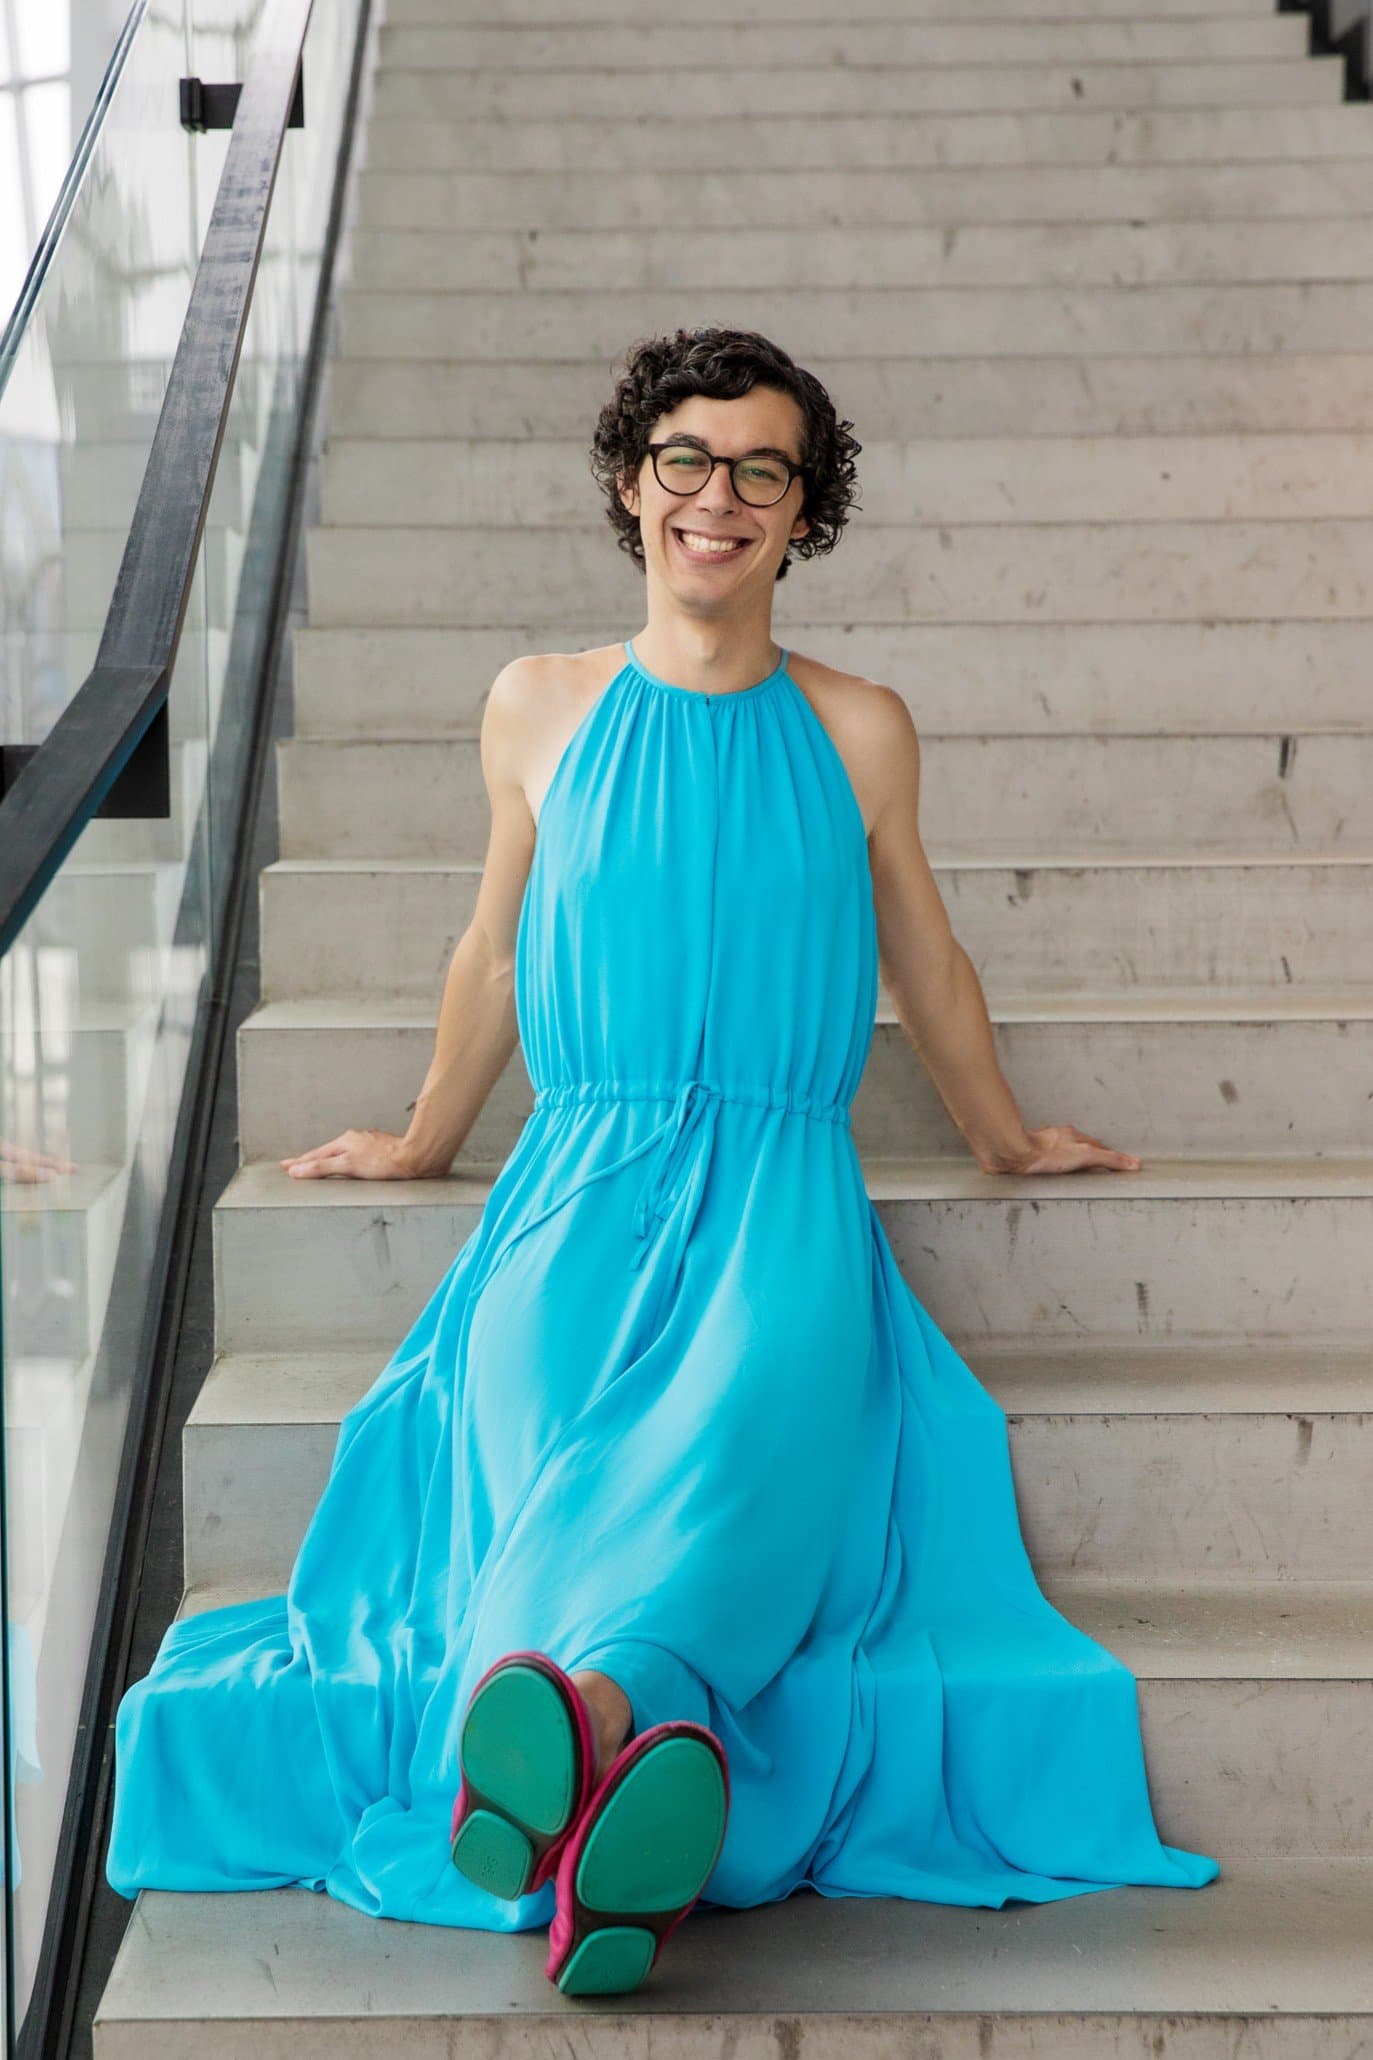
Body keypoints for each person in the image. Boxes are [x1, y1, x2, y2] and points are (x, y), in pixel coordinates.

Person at [105, 325, 1219, 1998]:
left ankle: (575, 1743)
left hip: (780, 1205)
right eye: (687, 461)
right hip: (571, 1193)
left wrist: (1001, 1132)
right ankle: (628, 1761)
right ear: (633, 486)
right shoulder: (535, 706)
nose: (720, 498)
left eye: (762, 470)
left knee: (728, 1464)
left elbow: (924, 960)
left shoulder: (859, 728)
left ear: (800, 511)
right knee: (535, 1453)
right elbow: (493, 951)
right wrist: (424, 1136)